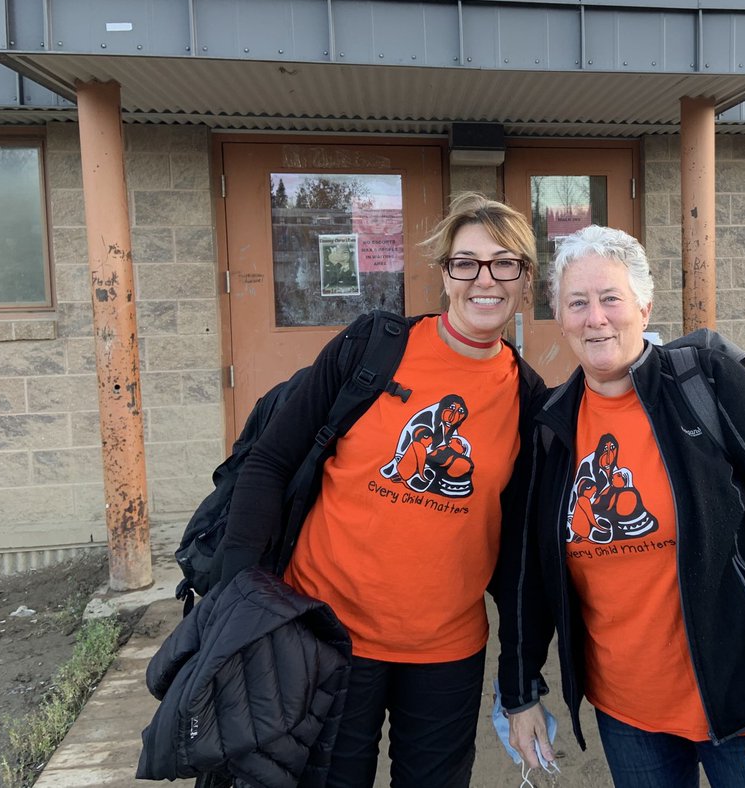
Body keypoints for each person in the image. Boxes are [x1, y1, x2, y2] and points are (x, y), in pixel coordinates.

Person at [502, 225, 745, 788]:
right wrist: (519, 692)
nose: (595, 317)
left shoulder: (709, 384)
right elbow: (528, 575)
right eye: (577, 302)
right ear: (559, 314)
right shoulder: (553, 425)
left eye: (610, 298)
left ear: (644, 305)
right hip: (627, 716)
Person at [220, 193, 547, 788]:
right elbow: (269, 462)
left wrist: (522, 680)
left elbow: (523, 554)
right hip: (328, 636)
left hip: (446, 652)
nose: (485, 280)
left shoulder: (529, 399)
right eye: (466, 262)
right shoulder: (374, 347)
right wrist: (232, 602)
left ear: (526, 280)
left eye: (505, 264)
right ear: (445, 272)